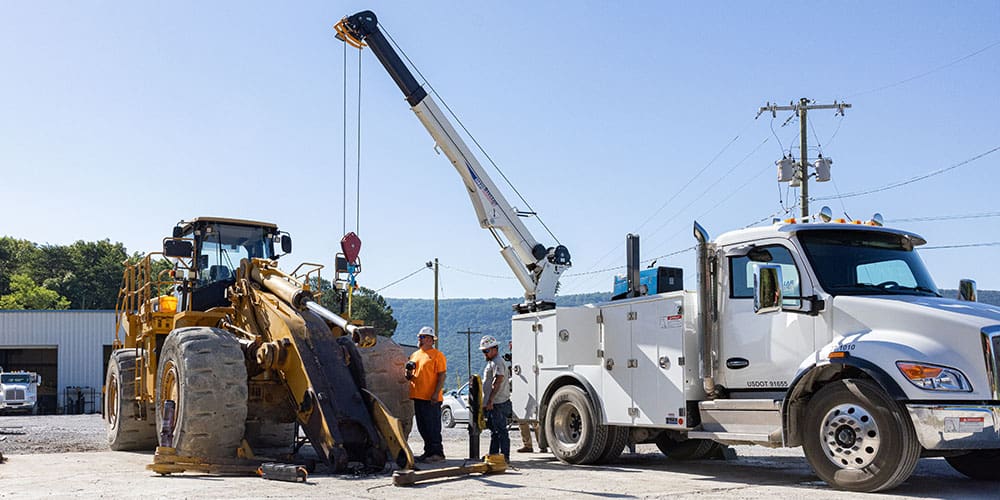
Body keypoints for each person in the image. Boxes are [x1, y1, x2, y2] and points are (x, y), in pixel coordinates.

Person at [406, 326, 447, 462]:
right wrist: (408, 374)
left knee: (433, 427)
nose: (420, 339)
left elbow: (441, 375)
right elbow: (412, 375)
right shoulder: (415, 355)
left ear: (430, 340)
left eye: (423, 337)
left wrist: (436, 393)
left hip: (431, 398)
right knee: (423, 427)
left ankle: (437, 453)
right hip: (418, 396)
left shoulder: (437, 355)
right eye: (419, 337)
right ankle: (428, 452)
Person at [480, 335, 512, 462]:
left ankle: (504, 456)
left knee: (500, 431)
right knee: (495, 431)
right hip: (495, 402)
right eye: (483, 351)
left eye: (486, 351)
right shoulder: (493, 362)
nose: (484, 353)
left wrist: (490, 400)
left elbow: (498, 381)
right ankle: (493, 455)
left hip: (498, 402)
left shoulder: (498, 362)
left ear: (495, 349)